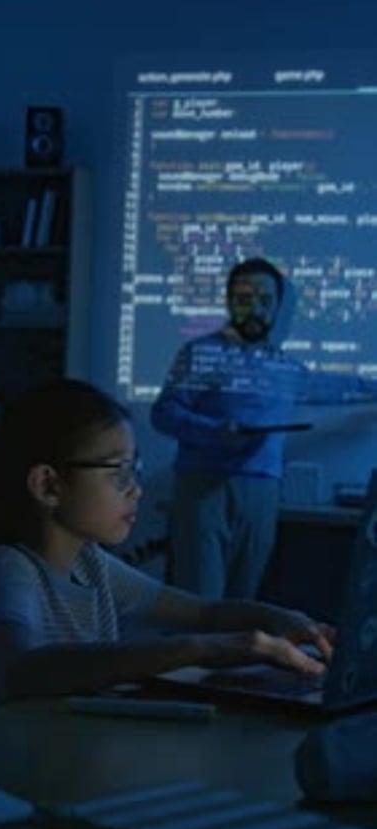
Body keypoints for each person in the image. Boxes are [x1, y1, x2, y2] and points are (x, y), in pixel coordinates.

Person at [0, 377, 333, 712]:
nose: (135, 489)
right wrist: (197, 649)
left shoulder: (90, 563)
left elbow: (204, 614)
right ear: (48, 486)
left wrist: (283, 621)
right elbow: (20, 670)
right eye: (118, 472)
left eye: (134, 470)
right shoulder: (6, 569)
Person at [150, 256, 377, 601]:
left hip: (262, 492)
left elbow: (335, 386)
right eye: (244, 300)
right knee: (200, 600)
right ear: (229, 302)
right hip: (203, 488)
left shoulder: (285, 368)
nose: (255, 309)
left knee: (245, 600)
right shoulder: (200, 353)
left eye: (264, 301)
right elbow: (163, 413)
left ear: (276, 307)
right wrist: (214, 430)